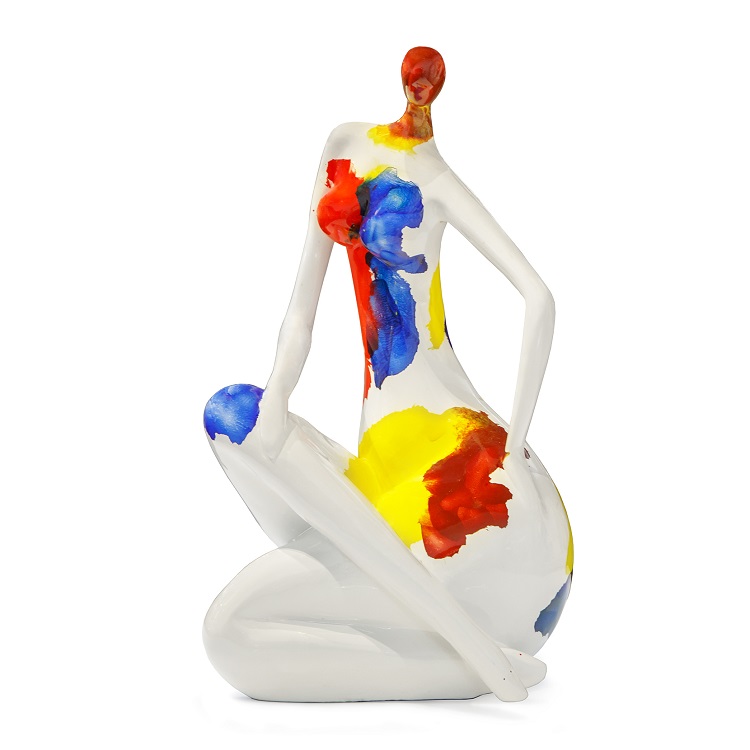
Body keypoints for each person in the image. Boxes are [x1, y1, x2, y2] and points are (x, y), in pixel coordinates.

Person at [202, 47, 573, 703]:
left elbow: (539, 298)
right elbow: (301, 311)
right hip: (387, 469)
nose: (419, 87)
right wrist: (279, 393)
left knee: (230, 631)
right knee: (230, 414)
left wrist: (514, 445)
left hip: (474, 491)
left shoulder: (438, 182)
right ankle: (467, 655)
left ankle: (474, 650)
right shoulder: (345, 145)